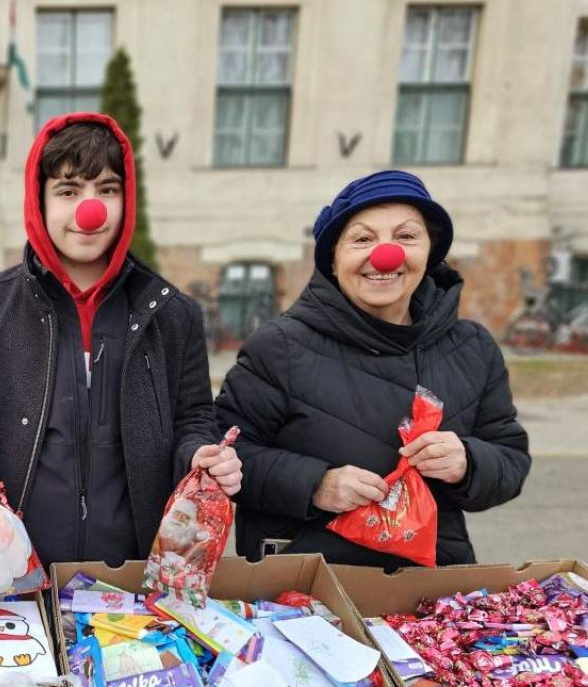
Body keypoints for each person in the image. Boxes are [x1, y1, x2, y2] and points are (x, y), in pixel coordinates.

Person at [0, 113, 240, 571]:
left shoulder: (173, 314)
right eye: (69, 191)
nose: (90, 209)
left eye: (107, 190)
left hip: (129, 575)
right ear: (40, 201)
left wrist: (201, 455)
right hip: (0, 567)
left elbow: (194, 417)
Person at [215, 170, 530, 567]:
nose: (386, 255)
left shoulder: (473, 348)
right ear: (333, 258)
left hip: (430, 585)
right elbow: (226, 455)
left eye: (406, 236)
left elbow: (511, 460)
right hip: (304, 585)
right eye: (362, 239)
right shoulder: (279, 347)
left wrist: (469, 462)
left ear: (430, 251)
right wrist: (315, 484)